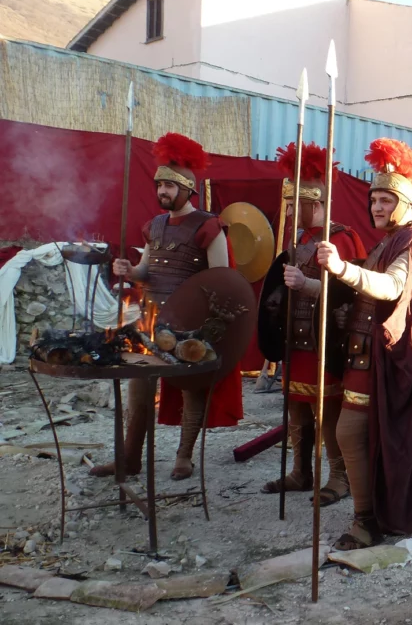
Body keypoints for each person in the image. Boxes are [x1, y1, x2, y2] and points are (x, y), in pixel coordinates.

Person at [316, 138, 412, 549]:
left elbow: (391, 288)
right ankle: (367, 513)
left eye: (387, 199)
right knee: (350, 432)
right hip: (363, 355)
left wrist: (340, 268)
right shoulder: (388, 241)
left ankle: (366, 521)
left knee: (351, 433)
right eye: (374, 199)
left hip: (388, 359)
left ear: (406, 203)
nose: (377, 207)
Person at [92, 132, 242, 481]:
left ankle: (184, 456)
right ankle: (130, 459)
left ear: (187, 189)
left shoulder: (208, 227)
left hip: (189, 323)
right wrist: (130, 270)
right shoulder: (154, 227)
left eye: (169, 187)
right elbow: (149, 273)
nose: (162, 192)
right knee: (139, 390)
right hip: (149, 321)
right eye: (159, 185)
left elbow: (222, 279)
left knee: (191, 390)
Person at [259, 141, 366, 504]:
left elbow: (350, 292)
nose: (288, 211)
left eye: (295, 205)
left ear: (316, 204)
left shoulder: (341, 239)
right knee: (297, 410)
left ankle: (339, 478)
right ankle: (301, 472)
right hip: (296, 339)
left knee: (329, 410)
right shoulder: (296, 241)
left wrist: (306, 284)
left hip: (327, 341)